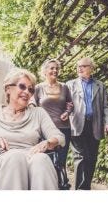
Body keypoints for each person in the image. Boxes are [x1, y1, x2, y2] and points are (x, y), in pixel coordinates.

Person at [0, 68, 65, 190]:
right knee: (15, 157)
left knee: (42, 159)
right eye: (22, 87)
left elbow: (60, 137)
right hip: (3, 163)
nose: (27, 92)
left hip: (32, 159)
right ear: (8, 88)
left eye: (31, 89)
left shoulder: (38, 113)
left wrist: (48, 142)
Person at [66, 57, 108, 190]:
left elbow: (106, 107)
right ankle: (81, 190)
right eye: (78, 66)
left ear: (91, 68)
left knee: (92, 158)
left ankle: (85, 187)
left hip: (95, 125)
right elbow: (65, 104)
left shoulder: (100, 85)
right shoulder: (70, 85)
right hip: (77, 125)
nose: (80, 68)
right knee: (80, 157)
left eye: (83, 66)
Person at [34, 59, 73, 188]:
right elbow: (32, 106)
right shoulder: (38, 88)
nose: (55, 70)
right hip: (44, 130)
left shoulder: (64, 87)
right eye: (51, 68)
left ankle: (62, 184)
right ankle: (49, 186)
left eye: (56, 68)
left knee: (61, 161)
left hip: (63, 128)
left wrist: (67, 112)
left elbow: (70, 104)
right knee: (47, 161)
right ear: (44, 71)